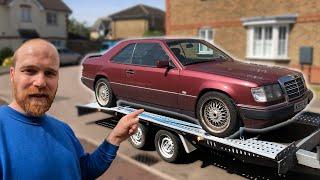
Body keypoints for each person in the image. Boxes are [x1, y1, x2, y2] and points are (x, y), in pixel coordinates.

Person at [0, 39, 144, 179]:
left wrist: (115, 137)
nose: (41, 82)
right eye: (30, 71)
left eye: (50, 73)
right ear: (12, 75)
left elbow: (84, 171)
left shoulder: (63, 129)